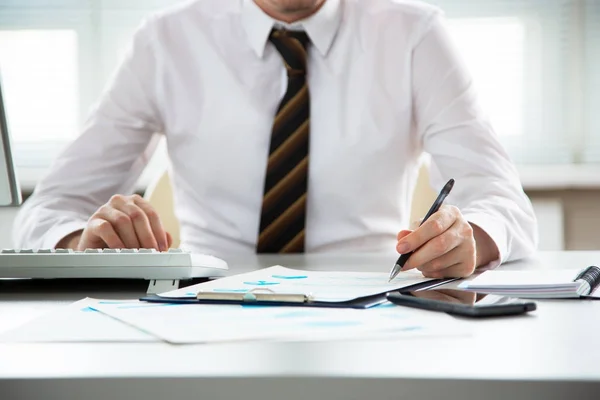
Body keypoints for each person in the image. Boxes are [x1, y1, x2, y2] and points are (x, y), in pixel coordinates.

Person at [13, 0, 538, 278]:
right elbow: (48, 210)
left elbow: (502, 201)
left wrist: (471, 238)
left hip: (371, 303)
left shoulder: (415, 34)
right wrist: (81, 243)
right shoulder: (165, 41)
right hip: (202, 310)